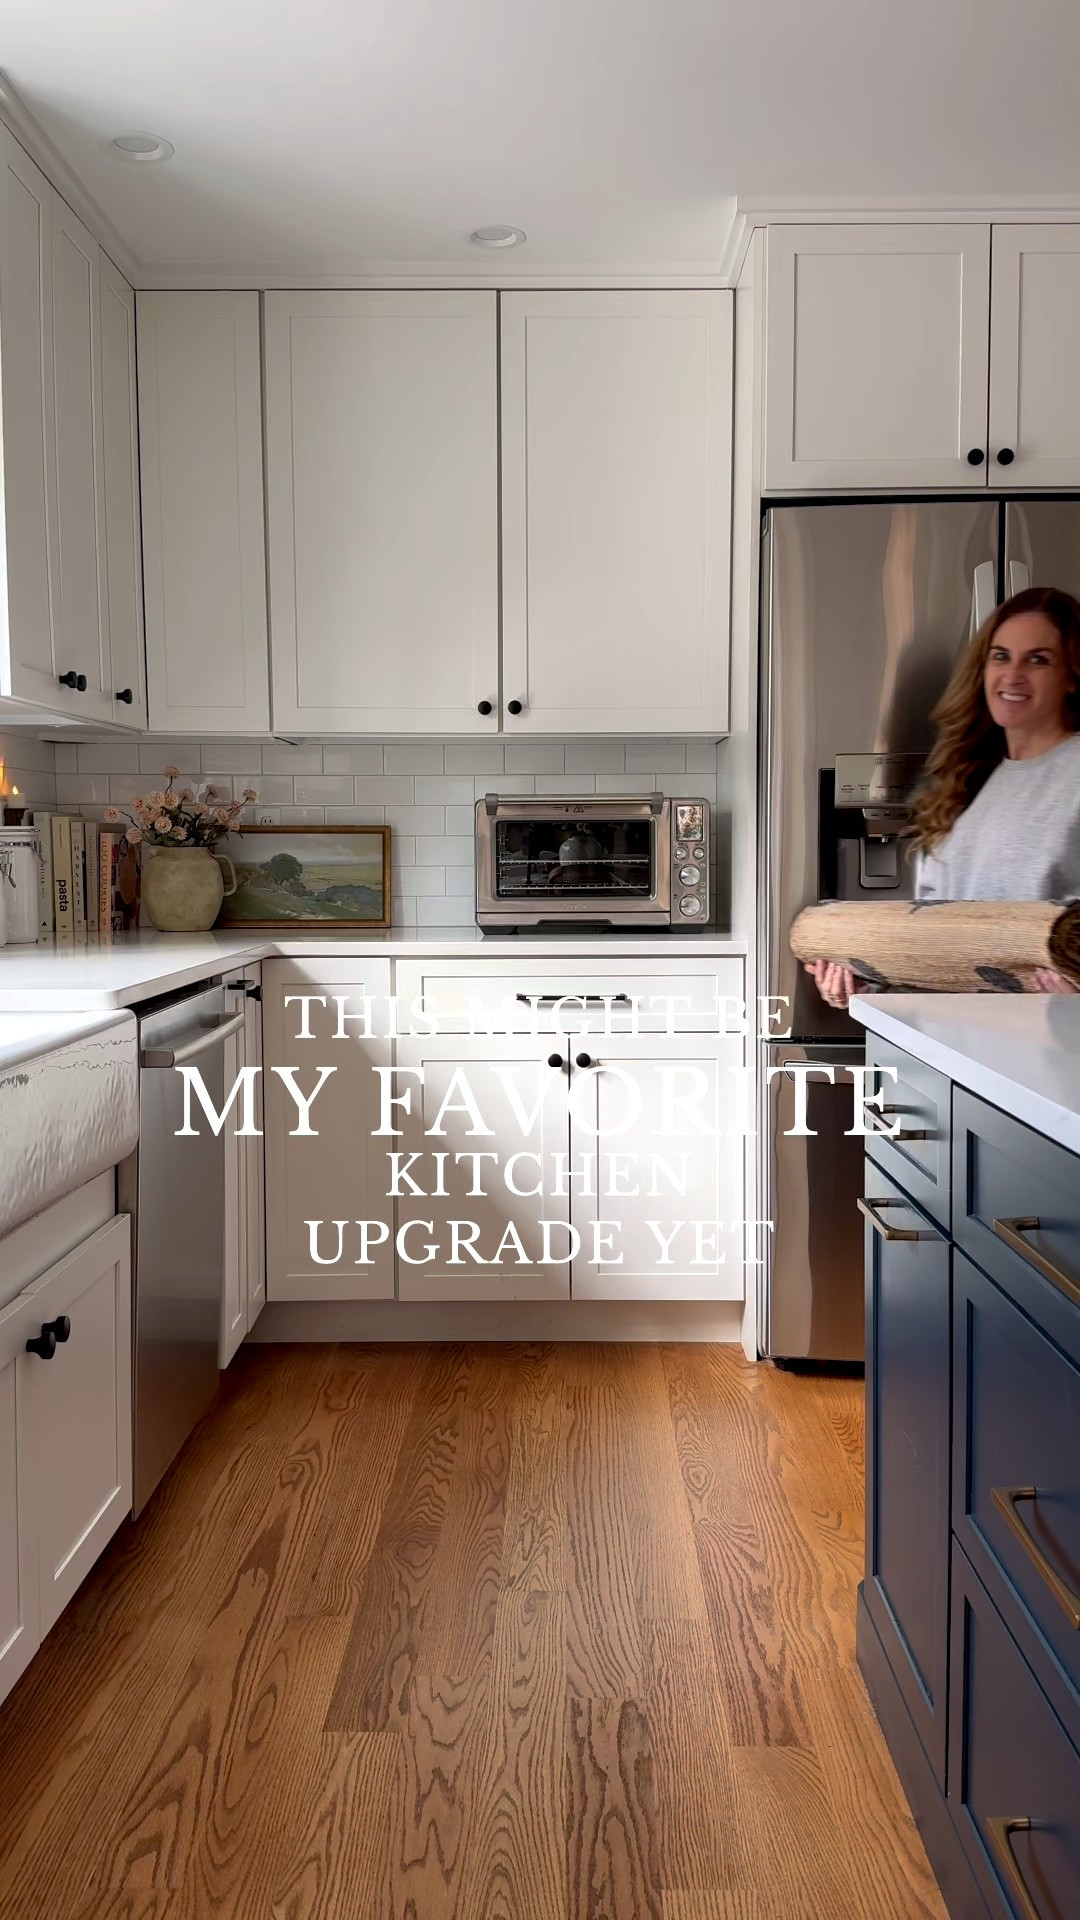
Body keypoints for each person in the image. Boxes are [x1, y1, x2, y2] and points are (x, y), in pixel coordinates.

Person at [807, 586, 1080, 1009]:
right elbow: (935, 931)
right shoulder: (968, 777)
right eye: (1001, 656)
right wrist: (869, 983)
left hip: (1041, 1053)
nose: (1012, 676)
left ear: (1073, 675)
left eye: (1038, 660)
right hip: (948, 1044)